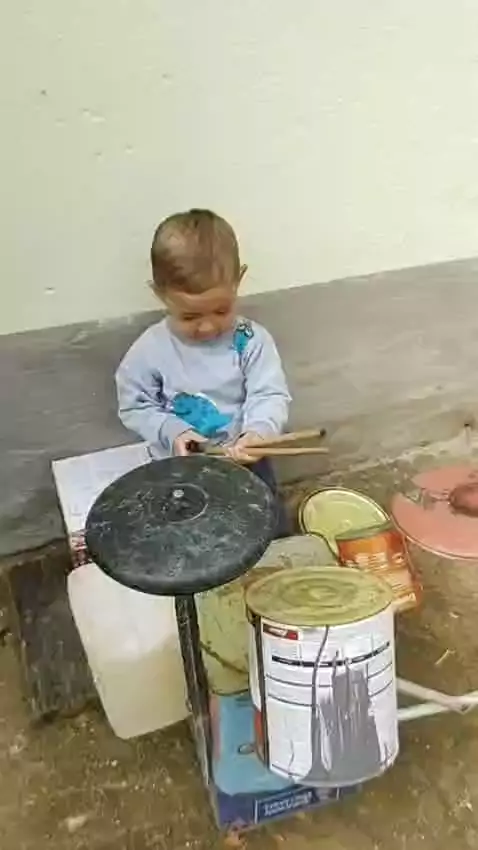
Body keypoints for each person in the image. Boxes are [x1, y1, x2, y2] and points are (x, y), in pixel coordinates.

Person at [115, 208, 291, 537]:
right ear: (159, 294)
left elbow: (269, 394)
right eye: (190, 316)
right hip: (179, 467)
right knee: (193, 540)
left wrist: (258, 432)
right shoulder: (149, 350)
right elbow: (135, 406)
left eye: (221, 310)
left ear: (239, 280)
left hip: (248, 460)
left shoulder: (251, 341)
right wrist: (173, 432)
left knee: (267, 531)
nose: (208, 327)